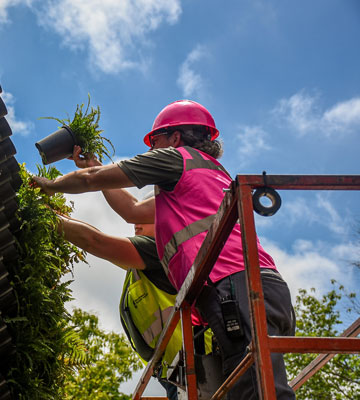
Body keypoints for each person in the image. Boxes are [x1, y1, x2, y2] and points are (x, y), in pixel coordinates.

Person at [33, 100, 296, 399]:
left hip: (237, 287)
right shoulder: (205, 176)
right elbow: (131, 210)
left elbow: (93, 183)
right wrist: (93, 165)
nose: (150, 149)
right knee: (255, 384)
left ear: (175, 138)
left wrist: (46, 186)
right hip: (256, 288)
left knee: (256, 391)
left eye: (154, 141)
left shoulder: (177, 159)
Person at [56, 214, 181, 400]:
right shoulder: (143, 266)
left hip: (192, 364)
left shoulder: (158, 250)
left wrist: (48, 217)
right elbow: (99, 238)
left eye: (145, 217)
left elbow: (95, 241)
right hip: (175, 371)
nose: (136, 225)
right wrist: (62, 216)